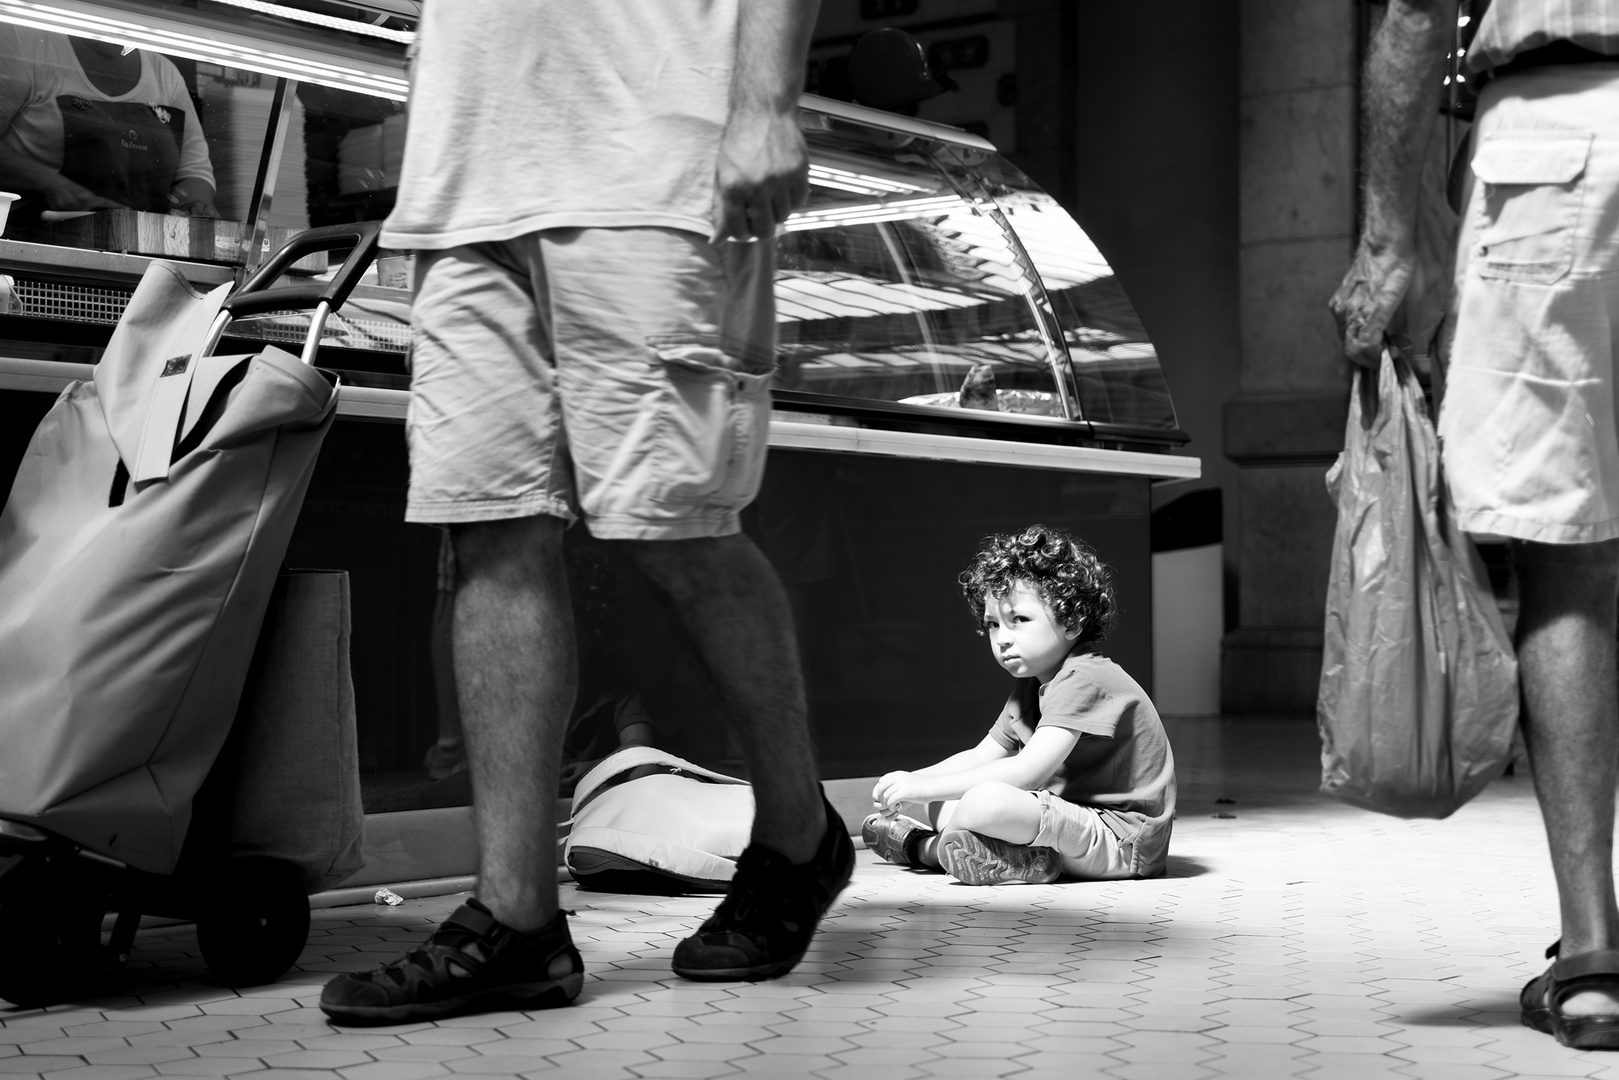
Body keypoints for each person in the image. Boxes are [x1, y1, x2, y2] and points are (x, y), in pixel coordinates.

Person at [319, 0, 852, 1025]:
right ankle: (513, 920)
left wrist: (763, 104)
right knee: (489, 533)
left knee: (675, 527)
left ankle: (796, 835)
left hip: (648, 162)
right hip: (463, 178)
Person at [1329, 0, 1619, 1051]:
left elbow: (1412, 5)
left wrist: (1386, 237)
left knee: (1568, 558)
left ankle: (1594, 958)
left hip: (1565, 141)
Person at [862, 525, 1176, 885]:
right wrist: (915, 780)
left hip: (1123, 841)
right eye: (993, 625)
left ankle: (922, 848)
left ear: (1072, 620)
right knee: (946, 799)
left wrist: (924, 790)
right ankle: (1020, 860)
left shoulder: (1085, 676)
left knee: (981, 800)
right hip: (1069, 828)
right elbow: (982, 755)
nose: (1002, 639)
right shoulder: (1032, 686)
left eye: (1019, 621)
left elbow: (1028, 772)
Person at [0, 27, 217, 220]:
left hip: (137, 252)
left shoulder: (165, 74)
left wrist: (192, 207)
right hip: (27, 244)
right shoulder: (23, 40)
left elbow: (195, 173)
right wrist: (49, 184)